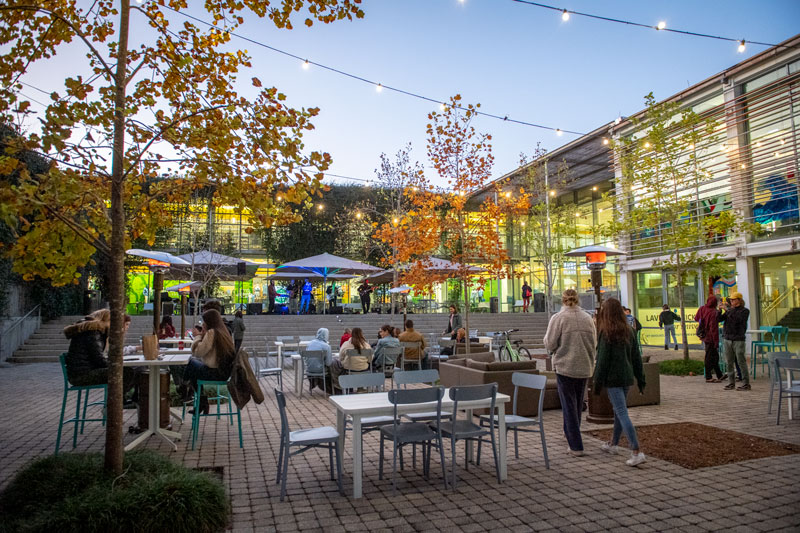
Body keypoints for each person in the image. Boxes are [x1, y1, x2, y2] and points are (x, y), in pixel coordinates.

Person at [593, 298, 647, 467]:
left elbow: (602, 360)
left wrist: (597, 382)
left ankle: (636, 450)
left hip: (613, 379)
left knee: (621, 412)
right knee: (618, 411)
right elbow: (636, 358)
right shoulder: (629, 330)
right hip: (626, 377)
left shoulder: (606, 332)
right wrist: (641, 380)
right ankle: (613, 444)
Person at [542, 289, 596, 456]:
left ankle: (575, 445)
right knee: (578, 403)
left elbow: (550, 343)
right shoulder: (587, 318)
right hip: (584, 366)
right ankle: (571, 433)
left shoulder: (558, 318)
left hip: (565, 366)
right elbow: (594, 343)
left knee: (569, 405)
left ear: (562, 300)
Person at [63, 309, 136, 394]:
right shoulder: (93, 333)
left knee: (126, 371)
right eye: (111, 321)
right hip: (82, 375)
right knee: (127, 372)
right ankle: (119, 401)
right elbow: (98, 359)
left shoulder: (92, 331)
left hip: (79, 373)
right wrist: (114, 365)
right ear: (104, 321)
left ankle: (120, 400)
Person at [183, 309, 236, 413]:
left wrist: (198, 336)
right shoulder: (223, 331)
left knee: (191, 363)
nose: (202, 323)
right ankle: (188, 392)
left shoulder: (212, 333)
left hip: (216, 373)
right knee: (193, 370)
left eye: (204, 321)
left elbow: (197, 352)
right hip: (224, 373)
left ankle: (185, 390)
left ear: (209, 321)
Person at [718, 292, 750, 391]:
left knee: (741, 361)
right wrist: (719, 310)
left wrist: (727, 309)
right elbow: (719, 319)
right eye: (730, 300)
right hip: (728, 338)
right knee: (729, 362)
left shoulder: (744, 311)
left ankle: (746, 383)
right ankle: (731, 383)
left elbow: (737, 319)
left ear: (739, 300)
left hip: (738, 339)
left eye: (733, 299)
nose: (731, 301)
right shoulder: (729, 310)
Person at [695, 296, 724, 383]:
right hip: (710, 337)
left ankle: (719, 375)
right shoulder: (713, 312)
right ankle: (708, 376)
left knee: (714, 356)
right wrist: (716, 341)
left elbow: (696, 318)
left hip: (704, 335)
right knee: (709, 356)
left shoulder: (702, 308)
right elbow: (713, 329)